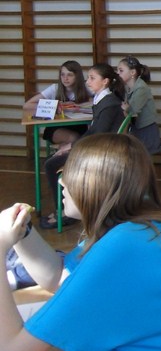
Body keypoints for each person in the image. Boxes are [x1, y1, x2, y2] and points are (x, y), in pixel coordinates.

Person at [0, 133, 161, 351]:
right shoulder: (145, 227)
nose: (61, 182)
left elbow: (10, 348)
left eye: (69, 172)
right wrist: (23, 232)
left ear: (94, 183)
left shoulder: (124, 245)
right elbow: (59, 277)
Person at [40, 63, 125, 230]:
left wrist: (72, 146)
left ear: (105, 81)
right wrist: (71, 146)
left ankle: (64, 213)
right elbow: (93, 131)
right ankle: (67, 207)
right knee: (52, 159)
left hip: (102, 153)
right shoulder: (103, 99)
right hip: (97, 148)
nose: (87, 82)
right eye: (88, 78)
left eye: (92, 78)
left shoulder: (109, 103)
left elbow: (97, 134)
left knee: (51, 164)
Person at [23, 60, 91, 146]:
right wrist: (53, 106)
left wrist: (83, 105)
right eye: (62, 74)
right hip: (56, 128)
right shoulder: (54, 88)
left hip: (80, 126)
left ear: (77, 76)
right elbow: (27, 105)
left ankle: (61, 152)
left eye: (70, 75)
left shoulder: (86, 88)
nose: (65, 78)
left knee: (81, 141)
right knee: (73, 138)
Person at [117, 55, 159, 154]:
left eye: (121, 70)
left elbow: (133, 111)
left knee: (132, 155)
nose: (117, 73)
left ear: (132, 72)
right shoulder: (127, 87)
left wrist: (126, 108)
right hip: (137, 130)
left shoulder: (141, 88)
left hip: (147, 132)